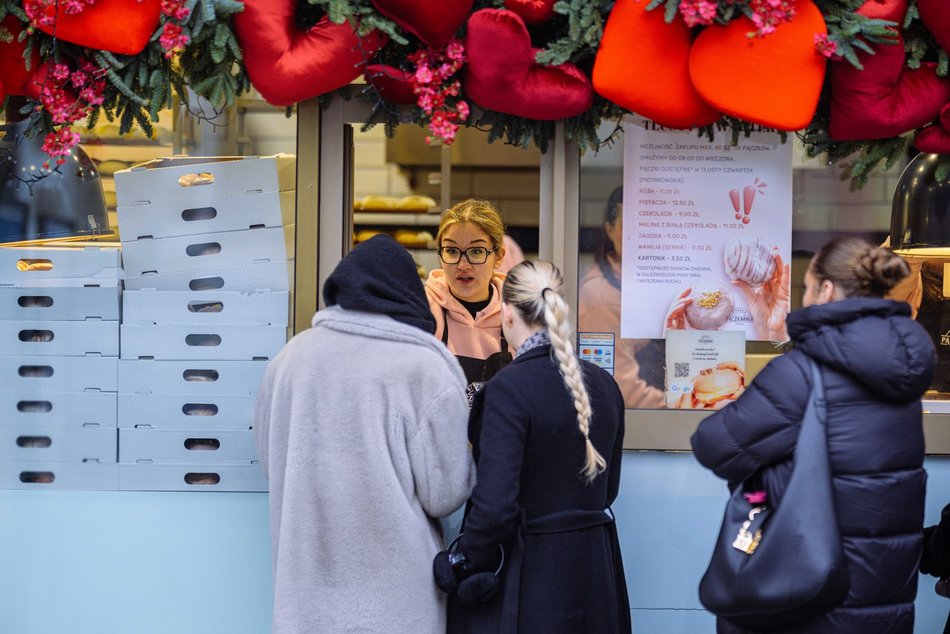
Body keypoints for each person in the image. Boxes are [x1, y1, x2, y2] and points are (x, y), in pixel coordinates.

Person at [691, 237, 936, 633]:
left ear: (825, 290)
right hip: (883, 598)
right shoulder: (903, 374)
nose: (801, 299)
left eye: (805, 287)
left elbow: (714, 445)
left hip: (808, 596)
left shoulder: (801, 373)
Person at [253, 235, 475, 634]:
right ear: (409, 295)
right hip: (398, 601)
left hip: (305, 598)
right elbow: (445, 494)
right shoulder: (423, 368)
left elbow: (272, 462)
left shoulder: (288, 361)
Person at [437, 260, 631, 633]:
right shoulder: (604, 385)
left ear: (507, 313)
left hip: (532, 579)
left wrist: (462, 561)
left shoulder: (508, 389)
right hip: (596, 574)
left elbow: (495, 507)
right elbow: (609, 489)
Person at [578, 186, 666, 408]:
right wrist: (686, 406)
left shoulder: (644, 283)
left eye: (650, 227)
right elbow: (624, 391)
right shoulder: (601, 297)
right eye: (631, 228)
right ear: (609, 230)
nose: (642, 237)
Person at [425, 199, 512, 402]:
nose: (463, 265)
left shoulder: (518, 315)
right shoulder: (422, 308)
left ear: (499, 256)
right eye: (451, 251)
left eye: (476, 251)